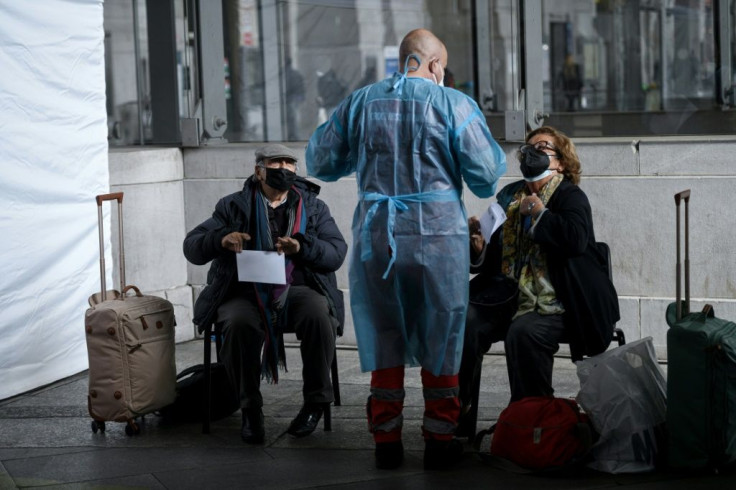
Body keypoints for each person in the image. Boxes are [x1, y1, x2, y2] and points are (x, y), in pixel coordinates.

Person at [306, 28, 506, 470]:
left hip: (379, 237)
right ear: (436, 65)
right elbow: (486, 175)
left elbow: (321, 161)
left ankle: (386, 442)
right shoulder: (452, 104)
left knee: (386, 334)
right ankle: (439, 441)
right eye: (444, 67)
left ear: (404, 60)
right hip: (439, 241)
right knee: (444, 331)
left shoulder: (361, 102)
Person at [457, 126, 620, 432]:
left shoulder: (570, 196)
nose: (531, 153)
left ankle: (531, 420)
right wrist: (478, 248)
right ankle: (458, 408)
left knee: (524, 331)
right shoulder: (508, 196)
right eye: (527, 148)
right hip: (506, 295)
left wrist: (542, 213)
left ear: (560, 161)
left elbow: (575, 240)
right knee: (464, 318)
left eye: (542, 148)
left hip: (557, 300)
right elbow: (495, 259)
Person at [183, 144, 347, 444]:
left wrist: (303, 247)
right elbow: (192, 247)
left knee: (318, 315)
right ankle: (250, 407)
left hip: (297, 288)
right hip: (245, 290)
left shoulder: (312, 208)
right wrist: (221, 239)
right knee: (238, 322)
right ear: (259, 171)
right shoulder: (233, 206)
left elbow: (336, 252)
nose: (284, 168)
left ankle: (315, 403)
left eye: (289, 163)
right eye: (276, 163)